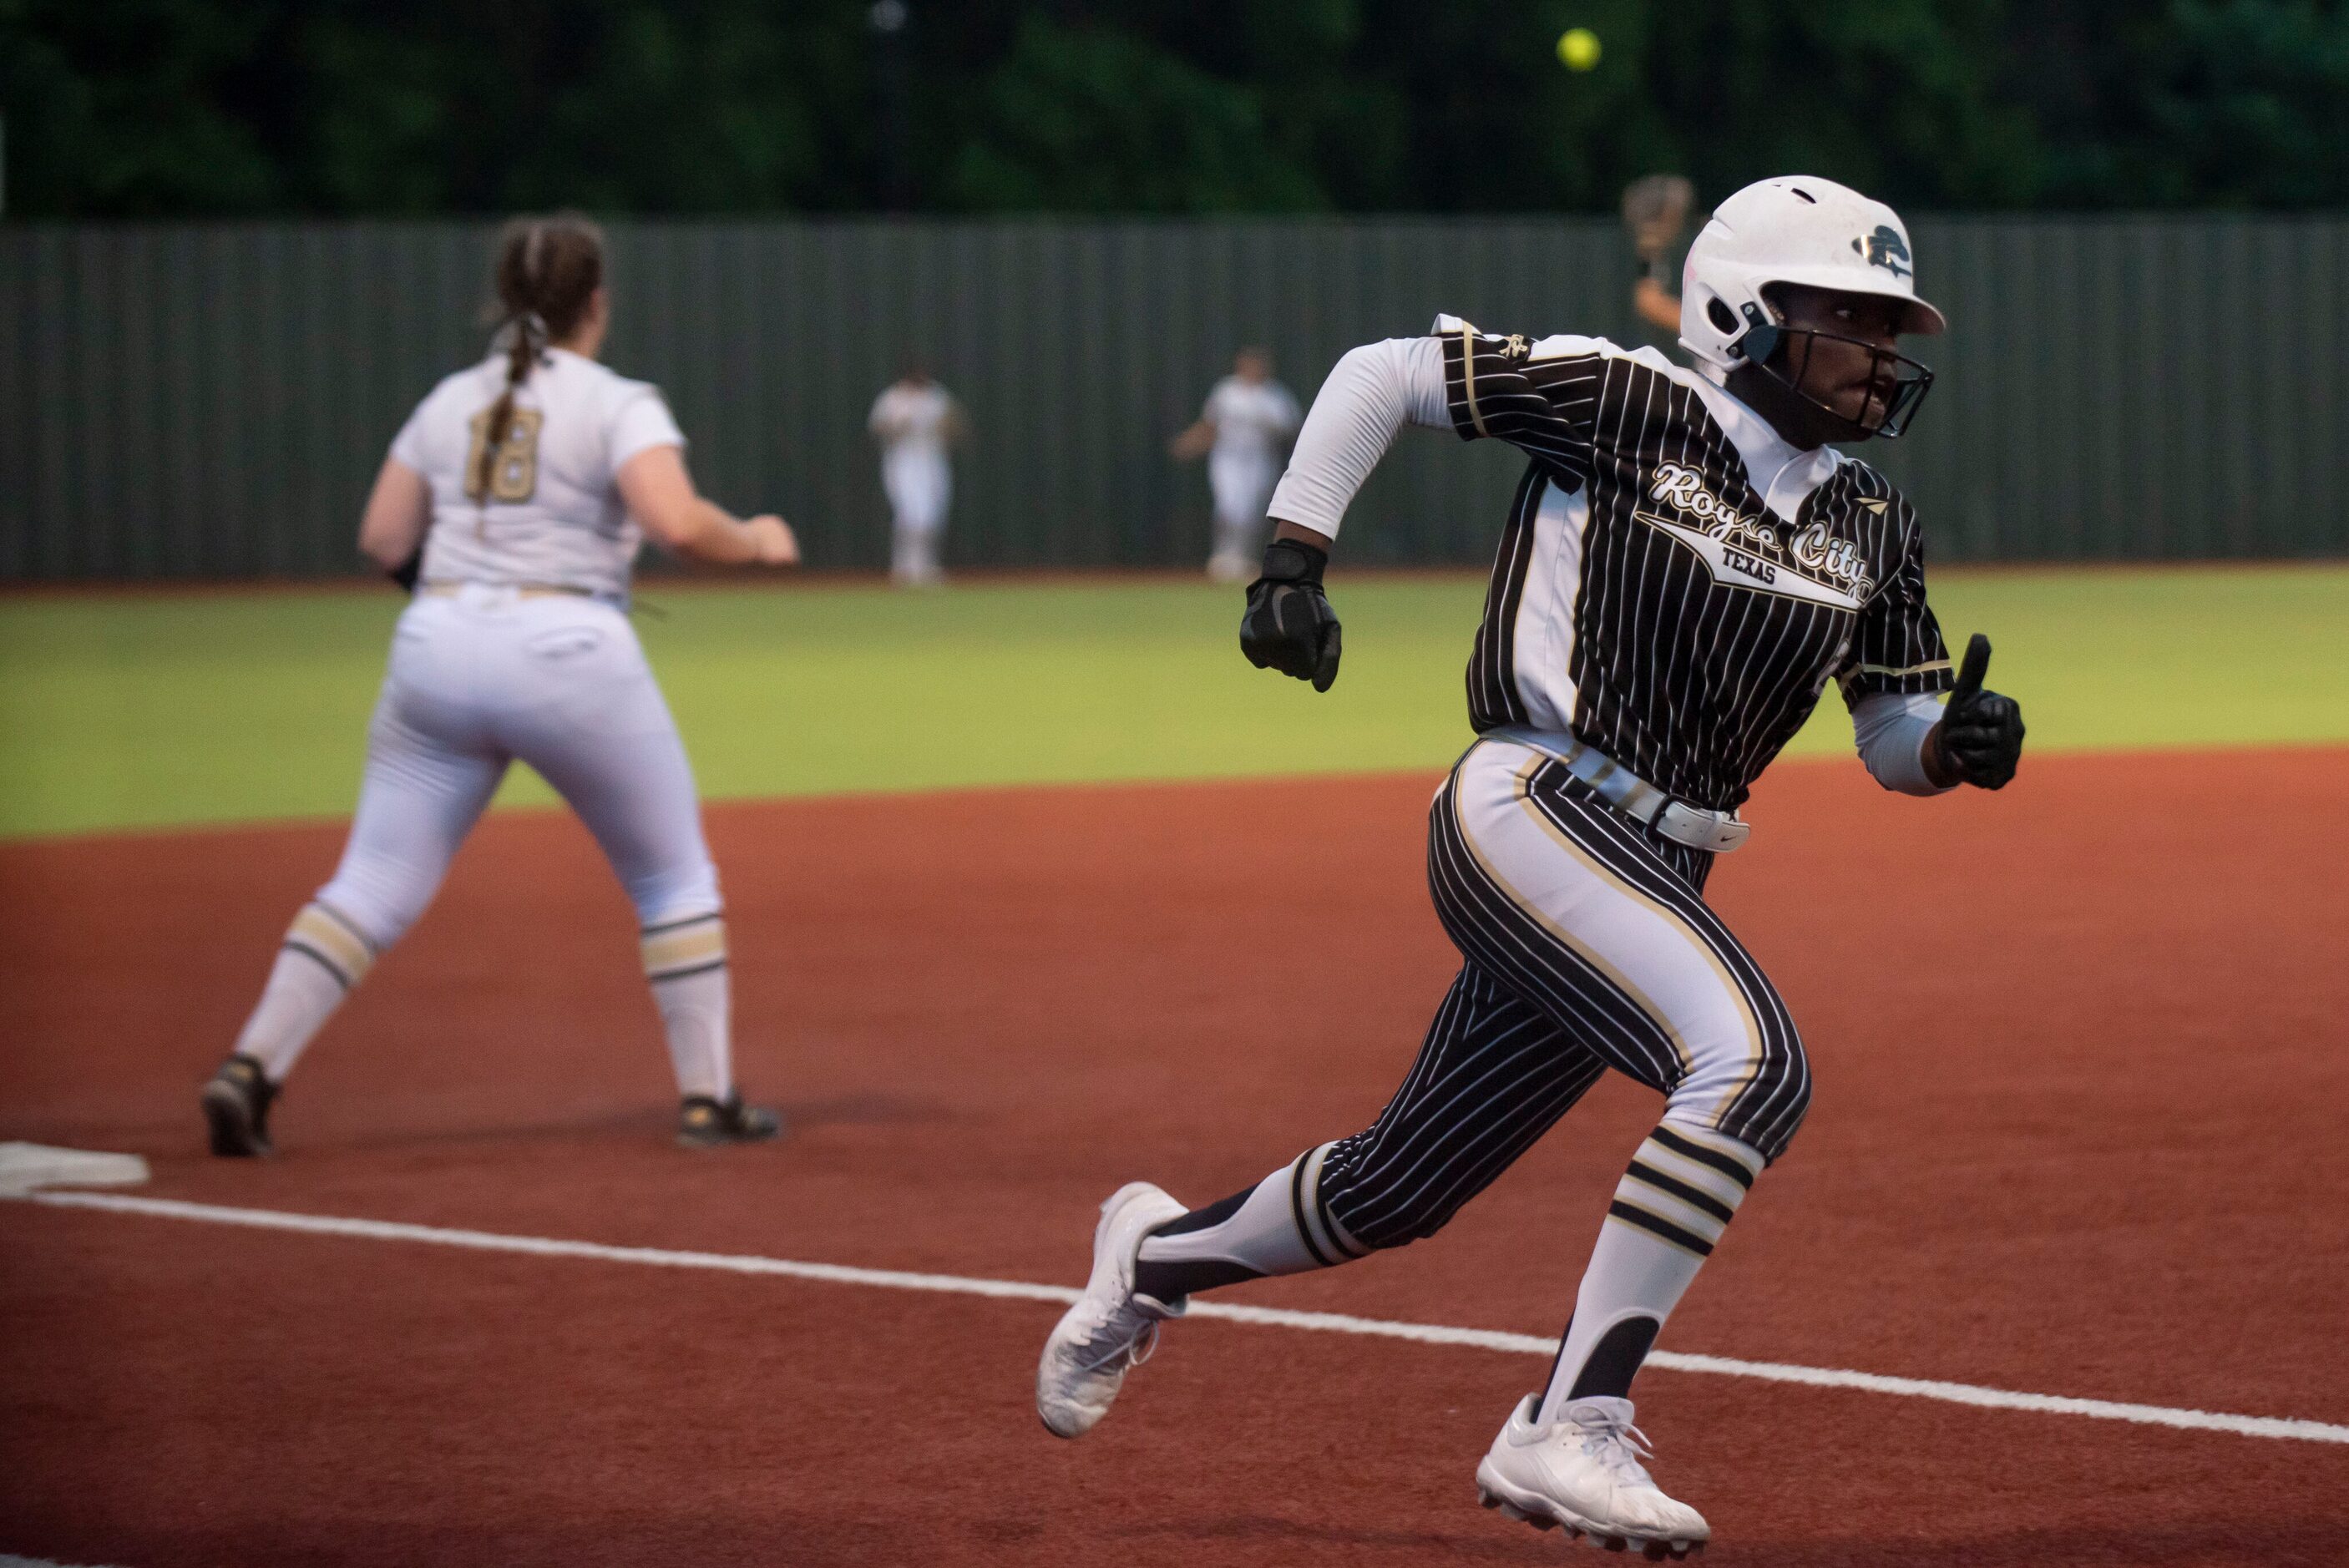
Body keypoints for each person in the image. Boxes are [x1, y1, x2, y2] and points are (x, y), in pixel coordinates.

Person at [1036, 176, 2025, 1557]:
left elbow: (1889, 731)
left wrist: (1953, 746)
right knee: (1751, 1064)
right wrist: (1289, 562)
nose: (1879, 350)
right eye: (1847, 316)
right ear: (1745, 312)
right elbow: (1382, 374)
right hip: (1532, 802)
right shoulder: (1630, 397)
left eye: (1888, 323)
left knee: (1398, 1187)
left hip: (1665, 867)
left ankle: (1148, 1258)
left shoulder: (1870, 519)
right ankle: (1567, 1419)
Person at [200, 214, 801, 1158]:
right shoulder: (614, 400)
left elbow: (382, 539)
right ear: (595, 303)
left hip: (434, 644)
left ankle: (251, 1068)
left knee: (373, 879)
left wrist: (465, 606)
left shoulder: (448, 401)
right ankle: (705, 1100)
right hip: (567, 647)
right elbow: (676, 522)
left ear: (506, 299)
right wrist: (760, 538)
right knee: (671, 873)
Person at [1171, 348, 1301, 582]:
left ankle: (1242, 559)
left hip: (1260, 460)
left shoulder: (1274, 396)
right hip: (1228, 459)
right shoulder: (1227, 392)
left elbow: (1291, 430)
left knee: (1251, 512)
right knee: (1230, 506)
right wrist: (1189, 443)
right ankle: (1223, 557)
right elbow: (1209, 426)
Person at [868, 365, 965, 587]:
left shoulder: (937, 397)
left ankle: (926, 566)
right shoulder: (893, 399)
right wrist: (900, 426)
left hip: (932, 461)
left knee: (933, 516)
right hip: (902, 463)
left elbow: (957, 428)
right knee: (911, 515)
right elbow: (878, 429)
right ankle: (903, 567)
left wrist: (945, 427)